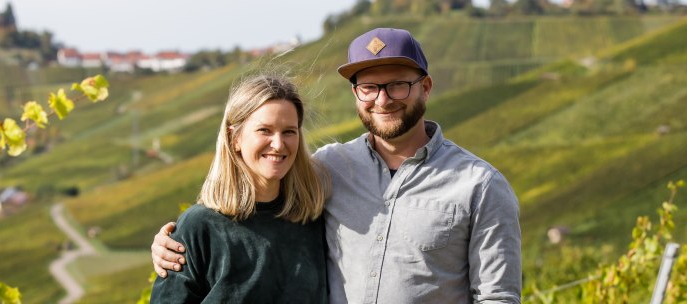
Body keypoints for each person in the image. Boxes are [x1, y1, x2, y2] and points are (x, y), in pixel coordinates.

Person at [152, 28, 522, 303]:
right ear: (355, 94)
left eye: (397, 85)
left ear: (425, 87)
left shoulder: (480, 186)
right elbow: (252, 197)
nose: (382, 100)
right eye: (369, 87)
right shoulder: (328, 168)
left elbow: (498, 297)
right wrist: (175, 240)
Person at [149, 74, 329, 303]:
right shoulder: (199, 227)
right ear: (235, 138)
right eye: (264, 130)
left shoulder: (314, 219)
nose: (278, 144)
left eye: (289, 131)